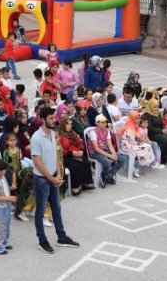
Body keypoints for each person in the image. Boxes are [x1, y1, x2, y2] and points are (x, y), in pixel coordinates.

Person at [31, 106, 79, 254]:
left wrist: (58, 174)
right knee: (40, 210)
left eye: (54, 117)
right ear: (43, 119)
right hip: (42, 180)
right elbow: (37, 162)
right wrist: (51, 178)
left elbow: (55, 156)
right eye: (51, 118)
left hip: (53, 177)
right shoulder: (36, 138)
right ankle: (42, 240)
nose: (54, 120)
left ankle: (61, 237)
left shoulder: (52, 134)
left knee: (57, 208)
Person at [59, 116, 94, 195]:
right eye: (67, 124)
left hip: (76, 154)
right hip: (66, 156)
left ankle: (85, 183)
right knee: (74, 166)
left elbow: (80, 144)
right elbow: (60, 149)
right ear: (63, 125)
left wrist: (81, 151)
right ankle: (74, 187)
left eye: (71, 124)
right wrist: (71, 153)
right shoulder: (60, 136)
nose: (69, 126)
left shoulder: (73, 133)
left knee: (86, 163)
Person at [88, 114, 125, 186]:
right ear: (97, 123)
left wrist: (114, 154)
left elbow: (110, 145)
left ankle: (107, 176)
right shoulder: (93, 132)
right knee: (108, 162)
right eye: (102, 122)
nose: (104, 124)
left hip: (104, 150)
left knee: (122, 159)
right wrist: (110, 156)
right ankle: (106, 176)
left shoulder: (107, 131)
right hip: (94, 152)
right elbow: (96, 149)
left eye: (105, 122)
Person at [142, 98, 167, 163]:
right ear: (150, 107)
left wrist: (164, 129)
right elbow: (149, 128)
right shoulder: (147, 115)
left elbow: (161, 123)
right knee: (165, 140)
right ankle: (163, 158)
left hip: (159, 131)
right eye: (154, 107)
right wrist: (161, 131)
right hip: (151, 134)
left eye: (157, 106)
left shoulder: (157, 113)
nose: (157, 108)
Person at [0, 158, 15, 255]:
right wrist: (10, 198)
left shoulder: (2, 177)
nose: (5, 171)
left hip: (6, 205)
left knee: (6, 226)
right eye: (4, 170)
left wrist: (10, 188)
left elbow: (3, 190)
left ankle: (4, 242)